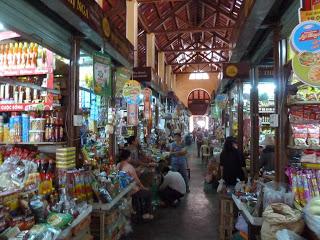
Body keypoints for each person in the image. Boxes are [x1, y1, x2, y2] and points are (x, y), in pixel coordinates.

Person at [117, 149, 154, 220]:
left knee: (143, 191)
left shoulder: (118, 165)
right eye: (130, 156)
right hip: (131, 191)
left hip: (122, 190)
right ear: (128, 157)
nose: (131, 158)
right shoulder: (129, 166)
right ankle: (146, 213)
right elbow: (137, 180)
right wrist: (143, 187)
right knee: (148, 193)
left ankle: (141, 211)